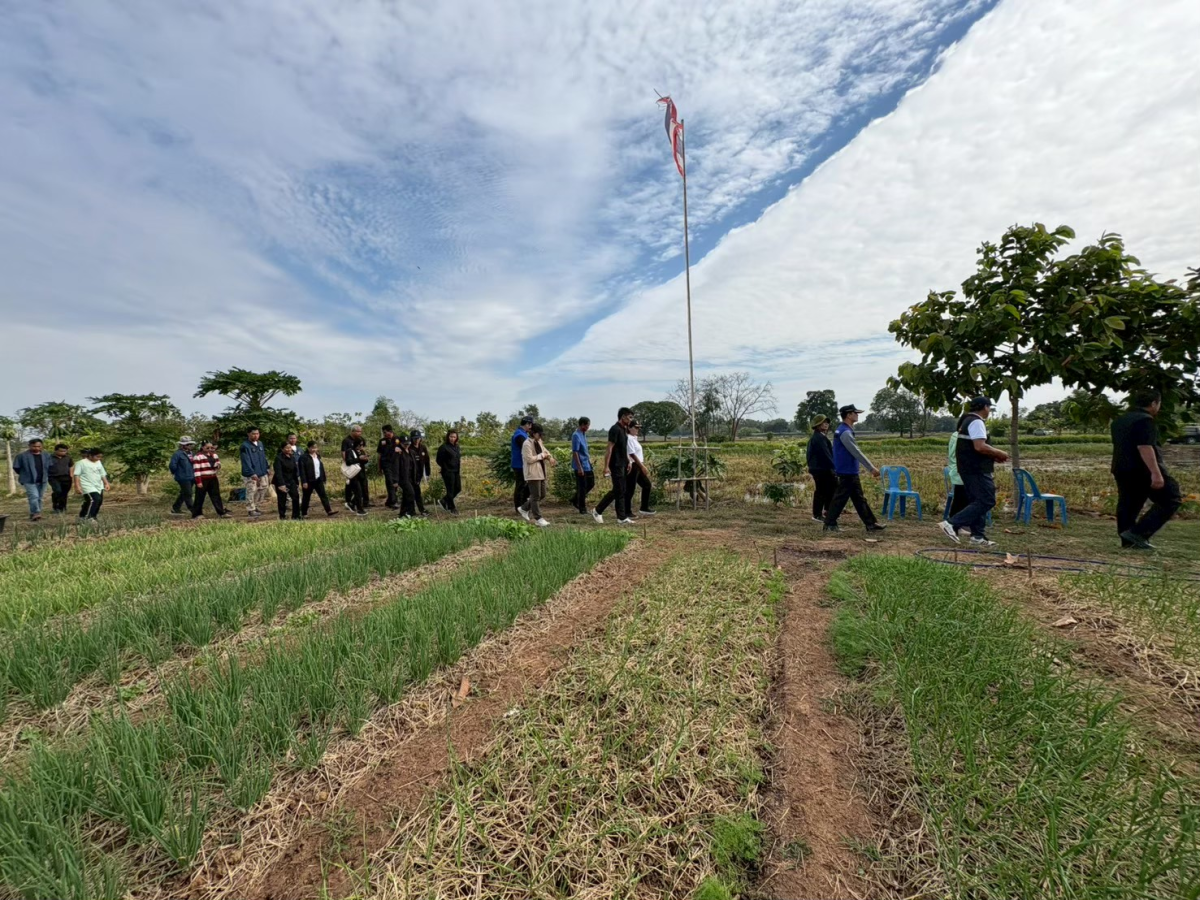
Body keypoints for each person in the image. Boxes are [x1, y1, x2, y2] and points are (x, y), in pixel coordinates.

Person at [1110, 389, 1182, 550]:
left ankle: (1128, 540)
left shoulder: (1119, 420)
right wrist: (1156, 473)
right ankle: (1138, 533)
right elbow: (1145, 447)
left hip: (1121, 467)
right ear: (1154, 403)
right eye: (1159, 403)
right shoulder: (1145, 420)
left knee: (1128, 503)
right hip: (1142, 469)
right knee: (1171, 498)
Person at [938, 397, 1007, 546]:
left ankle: (977, 536)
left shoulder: (966, 420)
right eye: (989, 407)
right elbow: (979, 446)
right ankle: (952, 523)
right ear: (985, 407)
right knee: (987, 500)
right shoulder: (976, 421)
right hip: (976, 470)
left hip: (968, 468)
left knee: (977, 500)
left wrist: (992, 456)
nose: (989, 411)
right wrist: (999, 453)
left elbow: (973, 448)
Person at [824, 405, 887, 534]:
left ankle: (871, 524)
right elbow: (856, 452)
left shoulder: (842, 430)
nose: (857, 415)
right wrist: (871, 468)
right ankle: (829, 523)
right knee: (840, 499)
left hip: (848, 470)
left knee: (859, 499)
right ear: (848, 415)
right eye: (855, 413)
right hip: (847, 471)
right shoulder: (845, 432)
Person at [595, 408, 635, 525]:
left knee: (621, 490)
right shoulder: (615, 429)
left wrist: (628, 461)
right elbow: (609, 448)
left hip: (623, 463)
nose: (630, 419)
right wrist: (606, 466)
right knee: (618, 490)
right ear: (622, 417)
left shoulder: (624, 429)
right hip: (615, 464)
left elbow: (623, 448)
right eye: (629, 417)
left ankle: (621, 517)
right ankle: (598, 510)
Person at [518, 423, 555, 527]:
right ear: (533, 433)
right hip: (532, 472)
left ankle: (524, 508)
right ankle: (538, 518)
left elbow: (545, 451)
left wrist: (550, 457)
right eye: (539, 434)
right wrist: (542, 455)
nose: (541, 436)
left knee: (542, 494)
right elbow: (529, 459)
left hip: (541, 472)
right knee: (535, 496)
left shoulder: (538, 441)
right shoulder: (527, 444)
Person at [13, 438, 51, 521]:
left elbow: (50, 466)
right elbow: (16, 467)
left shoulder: (46, 455)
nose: (37, 448)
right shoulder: (22, 456)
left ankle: (35, 514)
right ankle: (36, 512)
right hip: (28, 480)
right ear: (29, 446)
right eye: (34, 446)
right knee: (34, 496)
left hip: (42, 479)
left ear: (41, 446)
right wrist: (25, 473)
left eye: (39, 446)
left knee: (39, 498)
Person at [806, 415, 835, 523]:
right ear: (817, 425)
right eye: (823, 423)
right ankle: (817, 514)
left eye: (827, 422)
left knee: (830, 488)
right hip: (820, 468)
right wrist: (834, 467)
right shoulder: (818, 438)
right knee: (822, 491)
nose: (826, 424)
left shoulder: (821, 436)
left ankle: (827, 510)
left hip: (821, 468)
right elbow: (826, 454)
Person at [623, 420, 656, 518]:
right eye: (636, 427)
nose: (638, 429)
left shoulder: (634, 438)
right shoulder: (628, 438)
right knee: (630, 489)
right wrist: (642, 466)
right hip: (633, 466)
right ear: (629, 428)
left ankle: (644, 507)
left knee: (647, 485)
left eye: (639, 427)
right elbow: (632, 454)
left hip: (638, 465)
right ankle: (626, 511)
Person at [191, 441, 230, 518]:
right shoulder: (198, 456)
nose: (210, 449)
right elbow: (196, 470)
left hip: (213, 477)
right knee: (200, 496)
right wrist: (198, 481)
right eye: (207, 447)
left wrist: (217, 466)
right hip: (203, 478)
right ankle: (197, 514)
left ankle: (221, 512)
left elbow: (218, 464)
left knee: (216, 495)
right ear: (202, 447)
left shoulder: (214, 455)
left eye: (211, 448)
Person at [300, 441, 339, 517]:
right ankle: (304, 513)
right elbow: (302, 470)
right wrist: (304, 481)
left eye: (315, 448)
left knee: (323, 495)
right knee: (306, 497)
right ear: (308, 448)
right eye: (312, 448)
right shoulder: (304, 457)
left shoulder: (317, 456)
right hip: (309, 480)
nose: (314, 449)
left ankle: (329, 510)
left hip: (318, 479)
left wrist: (323, 478)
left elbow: (320, 468)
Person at [240, 427, 271, 518]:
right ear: (248, 434)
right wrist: (251, 473)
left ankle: (256, 506)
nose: (256, 435)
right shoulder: (245, 446)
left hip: (262, 472)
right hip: (251, 473)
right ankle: (250, 509)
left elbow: (263, 457)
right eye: (253, 433)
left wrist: (267, 468)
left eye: (257, 433)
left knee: (263, 489)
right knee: (252, 490)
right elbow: (246, 461)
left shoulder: (260, 444)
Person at [73, 448, 110, 522]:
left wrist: (106, 483)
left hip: (98, 485)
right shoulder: (80, 463)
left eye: (100, 457)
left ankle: (85, 516)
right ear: (90, 455)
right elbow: (76, 475)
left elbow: (102, 474)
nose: (99, 458)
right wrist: (77, 486)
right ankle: (89, 518)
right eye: (97, 456)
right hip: (87, 485)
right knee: (95, 499)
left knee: (98, 501)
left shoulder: (98, 462)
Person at [341, 425, 370, 514]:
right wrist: (358, 459)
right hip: (353, 472)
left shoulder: (359, 450)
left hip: (360, 471)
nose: (362, 446)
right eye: (358, 431)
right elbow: (348, 460)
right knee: (357, 491)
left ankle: (353, 504)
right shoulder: (349, 447)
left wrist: (365, 459)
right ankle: (359, 509)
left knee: (361, 489)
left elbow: (362, 460)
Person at [571, 417, 595, 516]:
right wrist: (579, 467)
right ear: (582, 425)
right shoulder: (576, 435)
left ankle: (575, 499)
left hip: (586, 464)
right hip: (580, 465)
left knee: (591, 483)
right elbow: (575, 452)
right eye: (587, 425)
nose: (588, 427)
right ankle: (582, 508)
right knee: (582, 487)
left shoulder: (583, 434)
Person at [272, 443, 302, 520]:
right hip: (281, 481)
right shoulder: (278, 458)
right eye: (286, 448)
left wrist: (296, 482)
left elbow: (295, 471)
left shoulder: (292, 457)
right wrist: (281, 484)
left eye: (290, 448)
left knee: (295, 497)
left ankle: (296, 515)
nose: (289, 449)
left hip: (291, 480)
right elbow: (278, 472)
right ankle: (282, 516)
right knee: (282, 499)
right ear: (282, 449)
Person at [511, 415, 533, 515]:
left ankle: (523, 506)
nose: (531, 427)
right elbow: (527, 449)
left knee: (525, 486)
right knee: (520, 486)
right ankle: (518, 507)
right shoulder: (520, 435)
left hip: (522, 464)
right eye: (530, 425)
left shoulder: (523, 433)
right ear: (527, 424)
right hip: (519, 464)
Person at [377, 425, 404, 509]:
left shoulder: (398, 440)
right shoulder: (382, 441)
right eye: (383, 433)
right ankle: (393, 502)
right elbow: (379, 455)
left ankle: (389, 501)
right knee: (390, 482)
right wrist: (379, 467)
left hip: (396, 464)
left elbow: (404, 451)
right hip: (386, 465)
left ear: (390, 431)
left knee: (395, 483)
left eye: (385, 432)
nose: (384, 434)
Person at [436, 430, 462, 514]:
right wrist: (445, 467)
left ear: (456, 438)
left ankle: (444, 500)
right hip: (448, 471)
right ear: (448, 437)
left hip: (456, 471)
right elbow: (438, 460)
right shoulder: (443, 447)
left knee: (458, 488)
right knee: (450, 490)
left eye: (454, 437)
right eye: (451, 436)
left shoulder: (457, 447)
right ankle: (452, 508)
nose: (452, 438)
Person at [168, 437, 196, 516]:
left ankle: (176, 508)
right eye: (188, 444)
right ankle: (193, 510)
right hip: (183, 477)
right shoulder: (177, 454)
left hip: (192, 476)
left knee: (184, 492)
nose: (190, 446)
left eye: (191, 444)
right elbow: (172, 465)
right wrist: (176, 473)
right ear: (183, 445)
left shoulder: (191, 453)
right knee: (188, 493)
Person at [396, 432, 418, 518]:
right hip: (403, 478)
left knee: (406, 495)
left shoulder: (411, 452)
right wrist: (395, 480)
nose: (406, 445)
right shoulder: (398, 452)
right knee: (410, 494)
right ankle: (409, 511)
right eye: (404, 444)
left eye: (408, 444)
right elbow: (395, 466)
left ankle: (404, 512)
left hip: (411, 477)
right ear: (400, 443)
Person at [47, 443, 74, 515]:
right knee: (58, 491)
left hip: (66, 477)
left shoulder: (68, 458)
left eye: (65, 451)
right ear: (55, 451)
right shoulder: (49, 458)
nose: (63, 453)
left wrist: (71, 475)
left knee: (64, 493)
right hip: (54, 477)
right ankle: (56, 506)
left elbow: (71, 466)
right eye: (61, 451)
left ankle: (62, 507)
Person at [410, 430, 431, 516]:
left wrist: (428, 473)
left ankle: (420, 509)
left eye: (418, 438)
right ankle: (413, 510)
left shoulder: (423, 447)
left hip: (419, 474)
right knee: (412, 492)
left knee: (416, 492)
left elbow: (427, 461)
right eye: (415, 438)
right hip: (410, 474)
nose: (417, 440)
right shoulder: (409, 447)